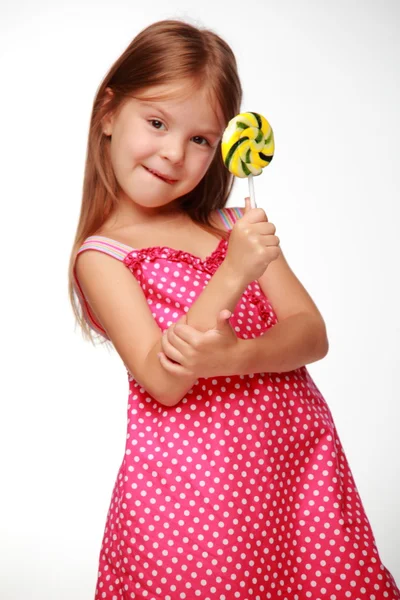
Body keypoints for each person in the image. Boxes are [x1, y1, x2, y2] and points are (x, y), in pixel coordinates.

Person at [68, 19, 399, 600]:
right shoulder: (104, 257)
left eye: (200, 139)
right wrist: (232, 273)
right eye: (157, 122)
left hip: (294, 471)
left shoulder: (231, 223)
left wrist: (238, 353)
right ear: (108, 113)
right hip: (194, 501)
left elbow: (312, 333)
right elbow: (163, 381)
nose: (174, 152)